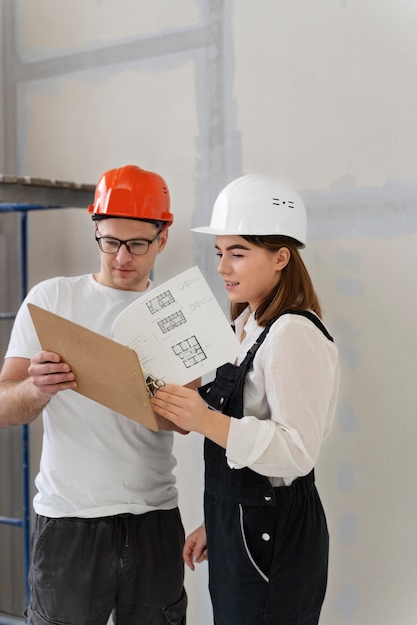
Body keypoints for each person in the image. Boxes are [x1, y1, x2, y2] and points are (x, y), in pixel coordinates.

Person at [0, 165, 188, 625]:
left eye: (137, 244)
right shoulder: (52, 300)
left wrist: (138, 389)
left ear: (162, 238)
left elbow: (187, 419)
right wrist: (37, 387)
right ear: (96, 231)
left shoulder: (176, 313)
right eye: (109, 241)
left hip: (153, 519)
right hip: (68, 523)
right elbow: (5, 405)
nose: (121, 257)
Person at [150, 174, 340, 625]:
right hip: (246, 524)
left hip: (275, 532)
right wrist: (218, 526)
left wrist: (201, 418)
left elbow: (296, 451)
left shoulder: (293, 332)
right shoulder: (248, 325)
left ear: (281, 257)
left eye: (238, 253)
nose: (222, 268)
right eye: (220, 253)